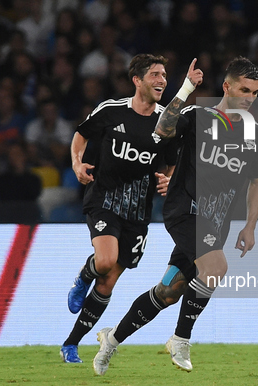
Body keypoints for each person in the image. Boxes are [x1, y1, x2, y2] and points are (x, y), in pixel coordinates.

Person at [92, 57, 258, 375]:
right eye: (244, 90)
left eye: (255, 93)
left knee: (169, 291)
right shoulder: (197, 116)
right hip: (184, 211)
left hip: (216, 224)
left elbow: (257, 181)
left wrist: (251, 226)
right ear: (226, 87)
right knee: (216, 268)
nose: (249, 98)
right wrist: (187, 87)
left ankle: (111, 341)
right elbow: (163, 128)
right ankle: (181, 339)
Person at [60, 54, 178, 363]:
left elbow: (173, 160)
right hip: (105, 200)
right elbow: (81, 135)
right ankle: (83, 276)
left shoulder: (167, 121)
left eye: (164, 75)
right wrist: (76, 163)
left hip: (138, 212)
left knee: (109, 281)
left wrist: (168, 179)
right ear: (137, 81)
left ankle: (71, 343)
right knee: (105, 260)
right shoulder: (112, 111)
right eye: (155, 74)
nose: (162, 80)